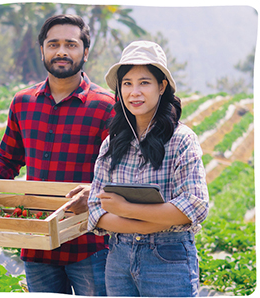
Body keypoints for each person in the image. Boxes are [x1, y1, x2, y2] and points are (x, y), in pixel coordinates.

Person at [0, 14, 115, 295]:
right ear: (42, 50)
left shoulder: (105, 106)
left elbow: (121, 174)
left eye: (71, 44)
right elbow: (7, 160)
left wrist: (94, 191)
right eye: (53, 44)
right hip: (37, 243)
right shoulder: (23, 103)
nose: (61, 51)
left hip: (89, 243)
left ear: (85, 52)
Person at [87, 40, 209, 297]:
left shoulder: (181, 139)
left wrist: (126, 210)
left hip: (167, 258)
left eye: (144, 82)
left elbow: (194, 205)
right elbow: (96, 210)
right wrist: (146, 223)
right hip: (118, 258)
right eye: (127, 83)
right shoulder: (114, 141)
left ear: (162, 86)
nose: (134, 92)